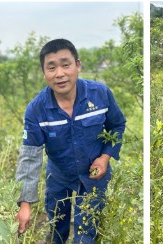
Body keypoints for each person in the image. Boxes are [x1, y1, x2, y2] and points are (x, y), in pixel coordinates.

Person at [15, 39, 126, 243]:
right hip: (58, 177)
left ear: (77, 65)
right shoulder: (36, 109)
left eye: (66, 64)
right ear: (44, 73)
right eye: (51, 67)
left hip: (94, 178)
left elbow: (117, 126)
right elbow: (30, 156)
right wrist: (25, 204)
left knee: (85, 235)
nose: (59, 74)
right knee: (57, 229)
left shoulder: (100, 94)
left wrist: (105, 157)